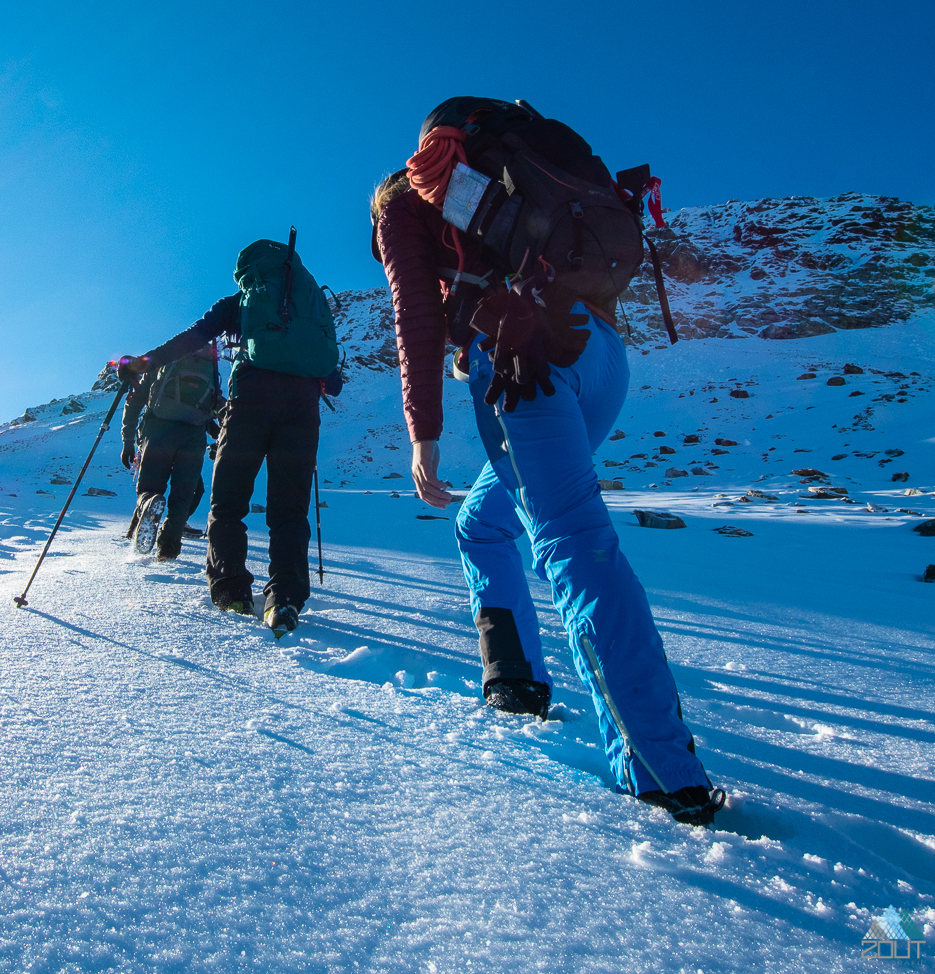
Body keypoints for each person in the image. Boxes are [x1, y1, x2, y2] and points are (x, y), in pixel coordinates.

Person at [373, 96, 724, 825]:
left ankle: (661, 767)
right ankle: (515, 677)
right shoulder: (507, 180)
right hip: (602, 358)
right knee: (483, 523)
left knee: (570, 540)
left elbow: (413, 310)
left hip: (523, 361)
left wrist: (423, 431)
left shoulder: (404, 204)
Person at [118, 234, 342, 637]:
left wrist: (142, 363)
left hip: (249, 405)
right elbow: (334, 380)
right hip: (302, 412)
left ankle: (231, 590)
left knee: (228, 503)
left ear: (248, 272)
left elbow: (193, 337)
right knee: (289, 511)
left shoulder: (240, 302)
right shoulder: (311, 307)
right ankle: (285, 600)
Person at [120, 345, 220, 559]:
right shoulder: (210, 367)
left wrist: (128, 441)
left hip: (159, 430)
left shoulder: (165, 359)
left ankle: (149, 502)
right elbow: (214, 406)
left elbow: (136, 401)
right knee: (182, 497)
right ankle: (168, 548)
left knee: (149, 487)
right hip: (193, 437)